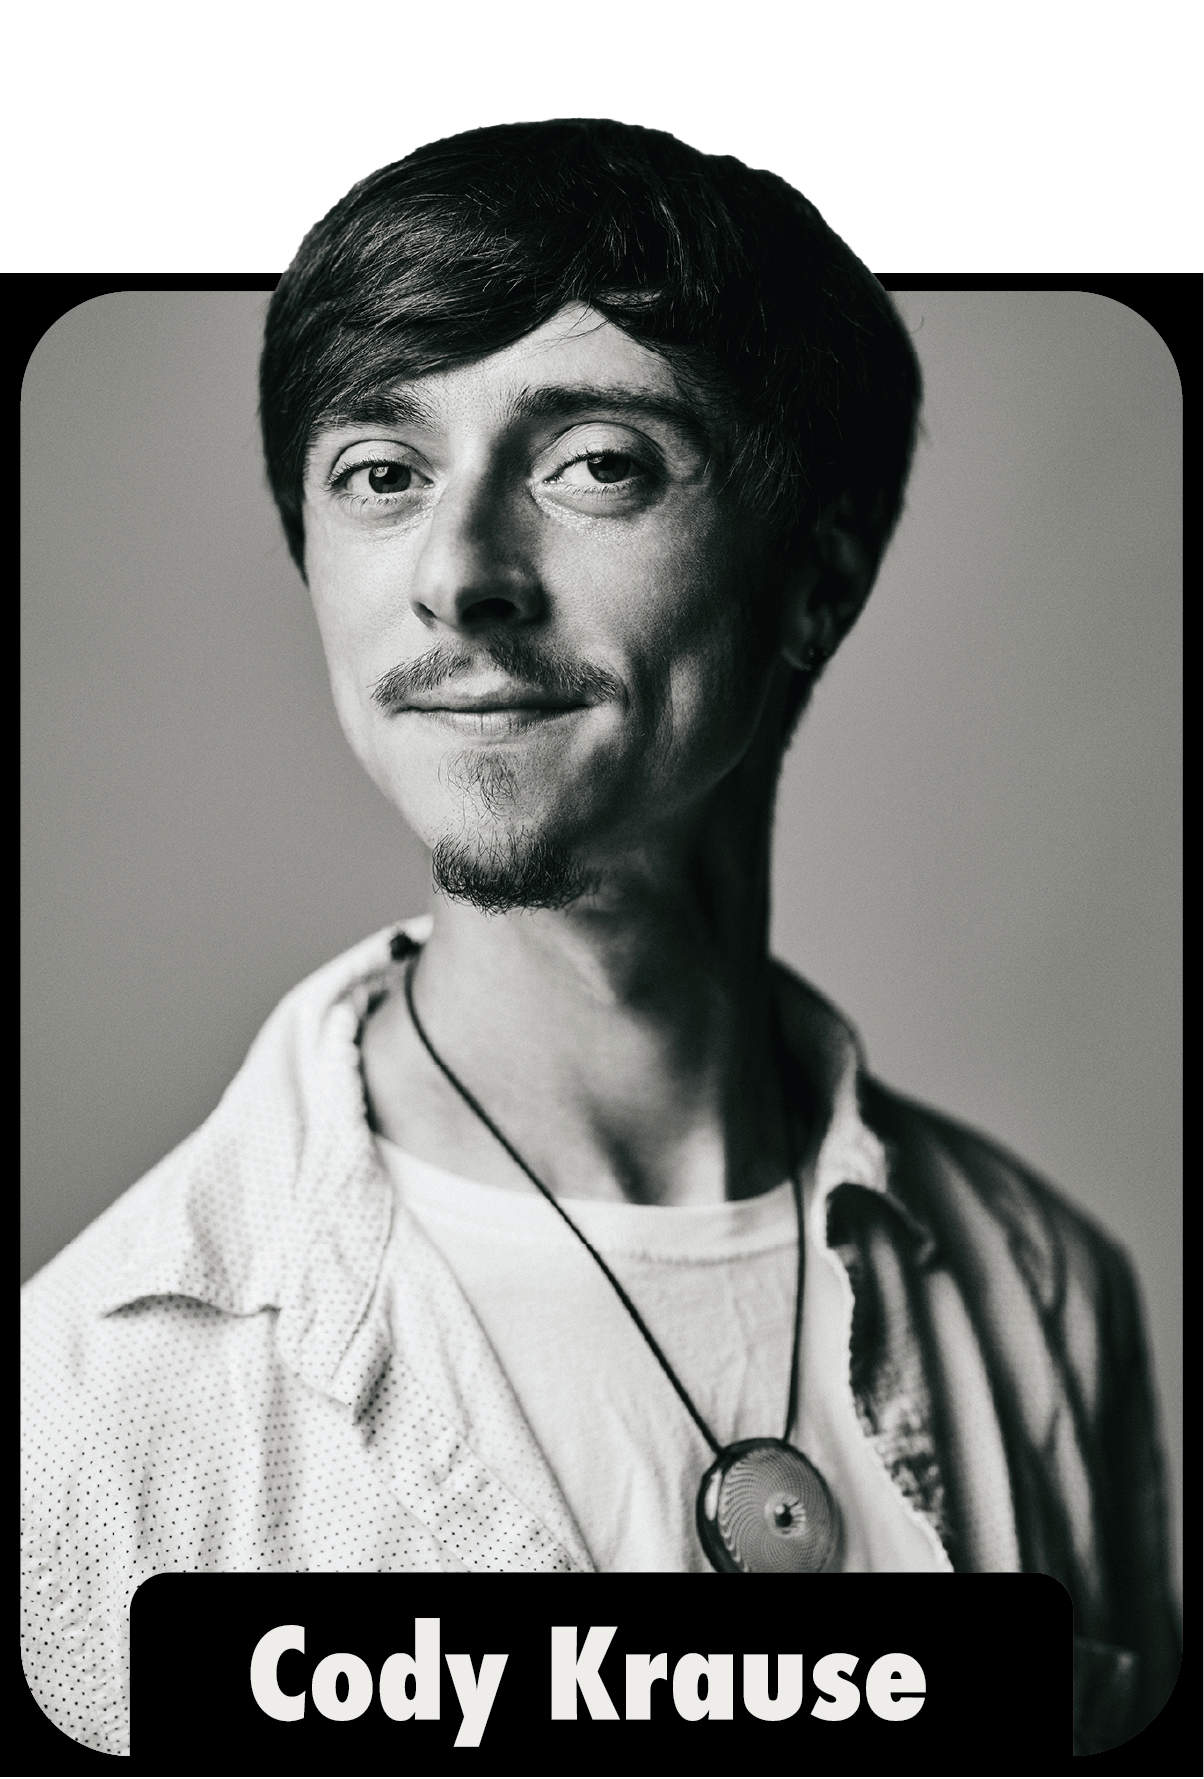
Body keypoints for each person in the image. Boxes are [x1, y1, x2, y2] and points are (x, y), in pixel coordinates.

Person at [21, 118, 1178, 1756]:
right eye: (382, 473)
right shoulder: (85, 1418)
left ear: (817, 577)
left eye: (597, 463)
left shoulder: (1047, 1292)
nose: (460, 574)